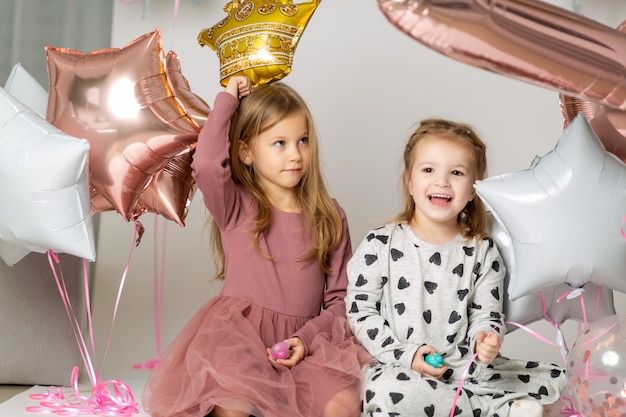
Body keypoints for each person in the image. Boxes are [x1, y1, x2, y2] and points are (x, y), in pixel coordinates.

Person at [141, 76, 371, 417]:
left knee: (343, 405)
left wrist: (306, 340)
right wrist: (227, 101)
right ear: (246, 152)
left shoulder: (329, 215)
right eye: (279, 143)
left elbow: (342, 300)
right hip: (240, 340)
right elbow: (205, 164)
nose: (295, 154)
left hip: (303, 344)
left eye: (303, 140)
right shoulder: (236, 206)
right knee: (236, 396)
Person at [345, 119, 566, 417]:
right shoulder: (379, 244)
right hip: (402, 367)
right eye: (428, 170)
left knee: (559, 379)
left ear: (473, 189)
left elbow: (486, 313)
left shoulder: (482, 250)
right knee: (385, 392)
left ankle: (485, 404)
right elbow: (360, 310)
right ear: (409, 181)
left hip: (467, 371)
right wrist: (406, 355)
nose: (442, 181)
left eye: (457, 172)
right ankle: (492, 409)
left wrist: (486, 338)